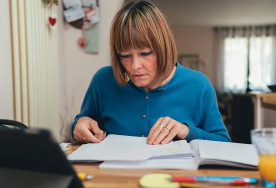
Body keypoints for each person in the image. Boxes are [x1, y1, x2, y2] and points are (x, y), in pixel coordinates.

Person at [70, 1, 230, 145]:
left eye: (145, 53)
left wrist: (185, 131)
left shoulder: (199, 85)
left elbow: (222, 142)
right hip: (116, 177)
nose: (135, 65)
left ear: (163, 48)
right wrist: (79, 125)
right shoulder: (103, 81)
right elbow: (82, 124)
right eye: (125, 56)